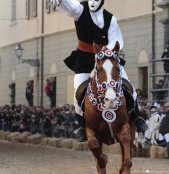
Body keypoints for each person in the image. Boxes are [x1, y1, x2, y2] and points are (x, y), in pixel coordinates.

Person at [52, 0, 147, 141]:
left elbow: (117, 42)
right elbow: (69, 5)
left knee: (129, 87)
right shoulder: (80, 10)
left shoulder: (111, 19)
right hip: (84, 60)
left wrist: (104, 54)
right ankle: (82, 126)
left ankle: (137, 118)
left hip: (106, 59)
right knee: (77, 92)